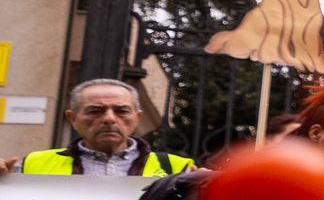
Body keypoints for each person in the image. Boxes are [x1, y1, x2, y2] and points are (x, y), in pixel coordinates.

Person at [7, 79, 195, 178]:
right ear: (73, 118)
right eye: (95, 111)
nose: (109, 119)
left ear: (137, 118)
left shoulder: (178, 169)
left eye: (121, 111)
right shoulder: (32, 165)